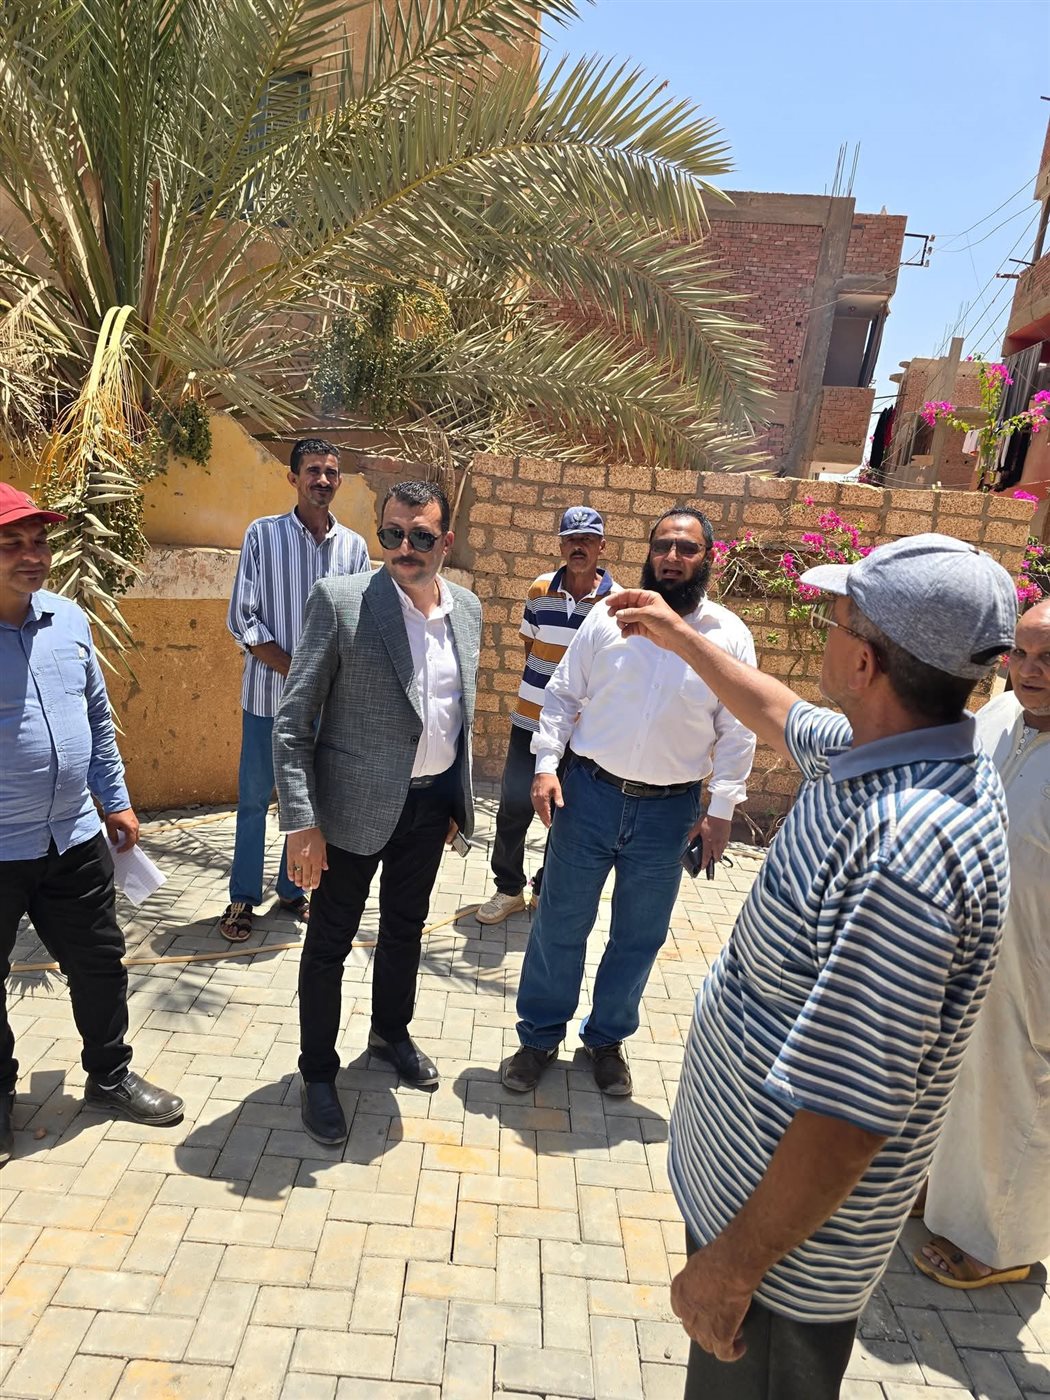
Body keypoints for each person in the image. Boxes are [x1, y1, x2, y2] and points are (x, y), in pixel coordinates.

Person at [605, 533, 1016, 1400]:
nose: (824, 630)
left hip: (780, 1269)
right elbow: (777, 709)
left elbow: (848, 1115)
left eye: (836, 620)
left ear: (864, 664)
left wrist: (731, 1269)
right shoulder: (893, 748)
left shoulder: (906, 851)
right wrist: (676, 636)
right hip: (755, 1218)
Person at [500, 507, 757, 1098]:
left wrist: (720, 811)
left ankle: (606, 1040)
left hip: (669, 814)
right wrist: (546, 767)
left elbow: (738, 728)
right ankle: (539, 1037)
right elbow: (562, 696)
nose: (672, 557)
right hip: (588, 796)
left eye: (687, 548)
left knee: (639, 935)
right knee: (560, 923)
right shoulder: (606, 618)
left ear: (708, 558)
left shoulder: (728, 636)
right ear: (648, 552)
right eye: (663, 545)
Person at [273, 480, 482, 1144]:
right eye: (392, 533)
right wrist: (302, 823)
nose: (404, 547)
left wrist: (455, 799)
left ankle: (391, 1033)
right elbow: (292, 723)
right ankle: (317, 1073)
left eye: (421, 536)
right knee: (328, 945)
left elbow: (457, 713)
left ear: (446, 541)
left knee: (405, 930)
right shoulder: (341, 602)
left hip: (429, 808)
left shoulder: (468, 609)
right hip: (348, 814)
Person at [0, 484, 183, 1165]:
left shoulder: (69, 619)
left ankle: (108, 1076)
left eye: (39, 542)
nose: (32, 556)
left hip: (74, 837)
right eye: (12, 544)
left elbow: (98, 721)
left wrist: (116, 800)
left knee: (100, 963)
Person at [913, 595, 1050, 1289]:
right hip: (968, 943)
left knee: (1019, 1094)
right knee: (957, 1076)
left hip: (1036, 962)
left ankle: (1003, 1244)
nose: (1031, 670)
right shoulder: (998, 717)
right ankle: (942, 1194)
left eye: (1049, 658)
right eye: (1020, 653)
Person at [220, 438, 370, 942]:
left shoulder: (354, 548)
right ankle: (242, 897)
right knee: (253, 801)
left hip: (328, 706)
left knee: (307, 803)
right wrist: (299, 670)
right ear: (293, 478)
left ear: (339, 481)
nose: (322, 479)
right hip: (269, 701)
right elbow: (243, 619)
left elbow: (357, 624)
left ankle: (292, 889)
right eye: (312, 470)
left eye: (330, 472)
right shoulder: (263, 536)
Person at [475, 506, 619, 925]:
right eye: (571, 539)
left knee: (566, 815)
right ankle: (508, 889)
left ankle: (544, 888)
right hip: (529, 721)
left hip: (581, 733)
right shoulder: (539, 590)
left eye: (587, 539)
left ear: (602, 546)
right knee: (514, 806)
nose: (579, 547)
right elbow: (530, 648)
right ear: (561, 545)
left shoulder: (615, 602)